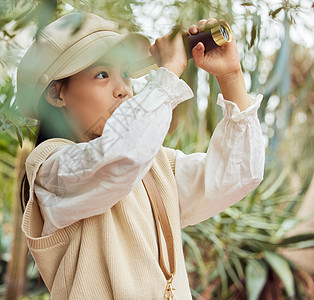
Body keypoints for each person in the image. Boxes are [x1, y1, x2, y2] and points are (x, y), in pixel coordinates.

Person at [16, 12, 265, 299]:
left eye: (125, 75)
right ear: (56, 94)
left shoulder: (153, 165)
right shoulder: (51, 170)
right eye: (102, 74)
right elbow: (118, 157)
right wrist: (169, 71)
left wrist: (230, 76)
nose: (122, 89)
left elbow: (237, 173)